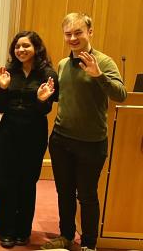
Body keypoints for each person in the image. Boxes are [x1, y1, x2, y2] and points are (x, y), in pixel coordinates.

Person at [42, 13, 127, 251]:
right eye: (68, 34)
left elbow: (120, 95)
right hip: (61, 139)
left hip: (91, 142)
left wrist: (98, 75)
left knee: (87, 196)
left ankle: (89, 244)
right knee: (64, 192)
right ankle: (66, 237)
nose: (73, 38)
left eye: (78, 32)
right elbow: (64, 95)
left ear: (90, 32)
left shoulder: (104, 62)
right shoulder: (62, 64)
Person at [0, 31, 58, 248]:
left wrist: (41, 100)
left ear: (36, 48)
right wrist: (3, 88)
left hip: (34, 134)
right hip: (8, 133)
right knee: (6, 183)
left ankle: (23, 231)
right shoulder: (9, 72)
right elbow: (0, 107)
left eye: (26, 46)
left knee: (27, 184)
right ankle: (6, 231)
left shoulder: (48, 73)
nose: (20, 50)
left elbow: (45, 110)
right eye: (17, 46)